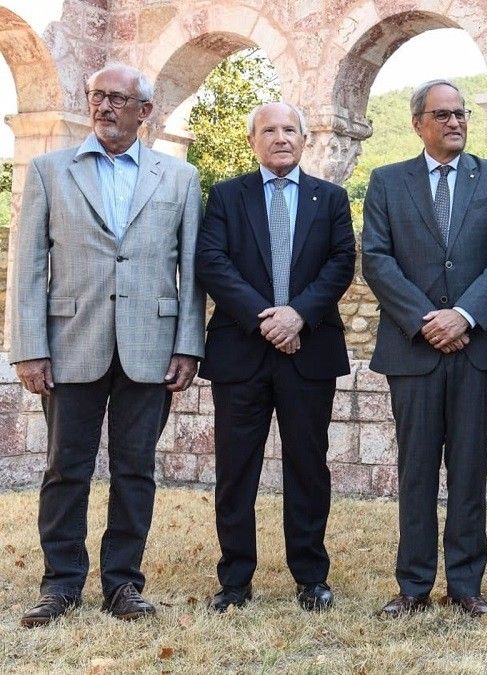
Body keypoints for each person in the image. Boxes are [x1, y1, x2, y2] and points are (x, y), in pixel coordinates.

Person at [10, 64, 205, 627]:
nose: (104, 107)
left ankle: (124, 585)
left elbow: (190, 270)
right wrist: (28, 346)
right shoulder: (50, 171)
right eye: (97, 96)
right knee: (65, 468)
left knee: (135, 469)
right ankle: (60, 585)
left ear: (145, 111)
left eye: (118, 98)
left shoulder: (179, 178)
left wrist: (188, 344)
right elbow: (27, 268)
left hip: (152, 345)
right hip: (70, 343)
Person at [362, 79, 487, 620]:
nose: (455, 122)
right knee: (415, 471)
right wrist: (425, 319)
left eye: (461, 113)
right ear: (418, 123)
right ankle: (412, 584)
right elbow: (377, 261)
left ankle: (466, 584)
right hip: (413, 349)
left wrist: (464, 316)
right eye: (443, 114)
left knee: (469, 468)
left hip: (476, 346)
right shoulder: (386, 182)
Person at [196, 102, 356, 613]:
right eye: (269, 130)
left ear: (305, 139)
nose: (280, 137)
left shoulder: (329, 198)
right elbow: (212, 262)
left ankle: (311, 577)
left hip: (308, 351)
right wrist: (267, 317)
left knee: (308, 466)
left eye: (290, 128)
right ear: (253, 141)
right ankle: (235, 581)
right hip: (241, 350)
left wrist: (298, 316)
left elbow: (340, 262)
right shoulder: (225, 196)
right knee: (235, 469)